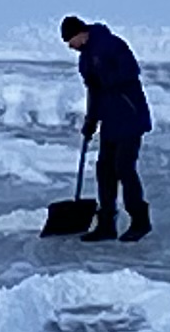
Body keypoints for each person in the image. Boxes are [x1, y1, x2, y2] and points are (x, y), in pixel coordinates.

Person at [62, 15, 152, 241]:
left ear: (81, 33)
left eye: (70, 40)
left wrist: (104, 78)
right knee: (104, 171)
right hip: (110, 122)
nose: (70, 46)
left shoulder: (111, 44)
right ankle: (106, 224)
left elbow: (130, 72)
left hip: (130, 117)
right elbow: (94, 92)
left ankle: (140, 221)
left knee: (124, 168)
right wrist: (91, 121)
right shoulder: (85, 59)